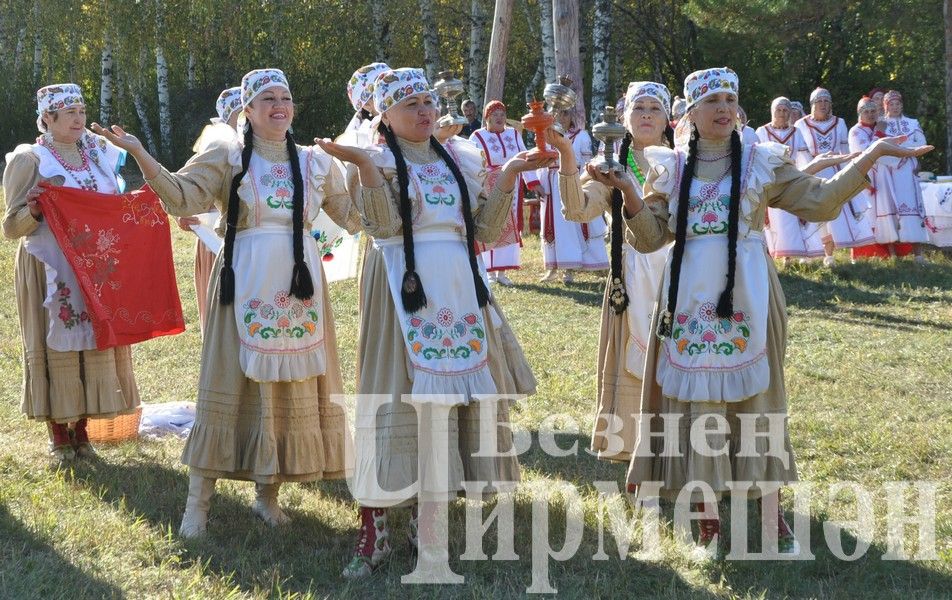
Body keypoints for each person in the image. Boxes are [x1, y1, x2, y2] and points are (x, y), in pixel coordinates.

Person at [600, 67, 929, 555]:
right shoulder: (670, 166)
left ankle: (774, 518)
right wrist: (628, 191)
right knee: (698, 408)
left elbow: (818, 203)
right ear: (690, 113)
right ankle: (706, 518)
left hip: (749, 296)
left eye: (731, 98)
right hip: (687, 298)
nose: (724, 108)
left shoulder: (762, 161)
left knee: (761, 404)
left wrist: (871, 155)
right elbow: (649, 238)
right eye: (712, 100)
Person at [92, 68, 360, 537]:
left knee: (284, 392)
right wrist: (140, 154)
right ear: (248, 110)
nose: (280, 105)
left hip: (300, 288)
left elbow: (356, 219)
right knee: (227, 382)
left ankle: (266, 495)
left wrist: (376, 167)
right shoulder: (227, 155)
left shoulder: (315, 162)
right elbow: (180, 198)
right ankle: (197, 506)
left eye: (286, 97)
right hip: (243, 281)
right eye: (268, 98)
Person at [316, 67, 542, 578]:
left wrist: (509, 174)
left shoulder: (456, 159)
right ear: (385, 115)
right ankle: (374, 530)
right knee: (391, 391)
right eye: (410, 104)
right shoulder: (372, 161)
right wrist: (368, 170)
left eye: (426, 102)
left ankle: (431, 527)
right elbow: (384, 227)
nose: (423, 111)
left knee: (444, 407)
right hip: (400, 284)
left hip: (458, 290)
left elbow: (483, 227)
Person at [2, 83, 141, 462]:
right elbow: (10, 227)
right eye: (70, 113)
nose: (79, 119)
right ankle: (59, 436)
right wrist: (33, 211)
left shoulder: (98, 153)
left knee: (91, 342)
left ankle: (83, 432)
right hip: (51, 265)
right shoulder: (29, 159)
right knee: (57, 345)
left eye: (81, 110)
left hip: (95, 265)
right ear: (48, 118)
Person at [553, 80, 673, 464]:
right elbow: (577, 210)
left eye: (655, 109)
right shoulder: (610, 164)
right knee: (633, 365)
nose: (647, 116)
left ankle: (681, 448)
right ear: (624, 118)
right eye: (639, 109)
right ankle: (635, 448)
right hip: (631, 277)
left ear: (669, 117)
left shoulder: (683, 161)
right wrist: (568, 157)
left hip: (680, 275)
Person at [176, 86, 241, 336]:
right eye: (239, 114)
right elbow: (188, 193)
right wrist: (187, 217)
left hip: (254, 243)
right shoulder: (215, 151)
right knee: (223, 319)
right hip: (217, 243)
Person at [795, 87, 874, 265]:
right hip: (814, 172)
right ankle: (811, 253)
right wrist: (804, 175)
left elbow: (845, 151)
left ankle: (830, 255)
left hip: (835, 171)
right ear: (812, 104)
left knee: (836, 214)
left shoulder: (840, 123)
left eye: (826, 101)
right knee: (814, 213)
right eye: (819, 101)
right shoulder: (801, 125)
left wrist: (852, 174)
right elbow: (801, 153)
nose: (823, 104)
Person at [469, 100, 536, 285]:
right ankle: (489, 272)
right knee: (491, 223)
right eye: (495, 114)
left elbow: (525, 156)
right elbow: (470, 161)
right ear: (487, 117)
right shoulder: (477, 136)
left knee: (509, 227)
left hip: (513, 184)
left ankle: (502, 272)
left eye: (502, 114)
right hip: (488, 186)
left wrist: (533, 181)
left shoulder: (513, 134)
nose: (499, 118)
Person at [539, 107, 608, 283]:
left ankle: (578, 266)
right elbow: (539, 160)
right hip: (552, 184)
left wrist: (584, 182)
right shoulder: (545, 135)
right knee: (553, 226)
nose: (561, 116)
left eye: (565, 113)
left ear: (572, 116)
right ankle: (553, 267)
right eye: (557, 112)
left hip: (573, 181)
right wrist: (538, 183)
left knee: (575, 224)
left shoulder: (581, 136)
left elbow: (587, 162)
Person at [756, 97, 823, 262]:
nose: (782, 113)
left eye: (785, 110)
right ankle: (776, 255)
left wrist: (808, 177)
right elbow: (756, 158)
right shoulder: (762, 132)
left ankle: (793, 256)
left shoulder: (796, 132)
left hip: (790, 178)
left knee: (791, 217)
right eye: (778, 110)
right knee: (773, 220)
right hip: (769, 180)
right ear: (772, 111)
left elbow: (804, 156)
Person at [875, 90, 930, 262]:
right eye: (891, 104)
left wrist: (903, 151)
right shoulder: (881, 124)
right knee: (890, 211)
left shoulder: (912, 123)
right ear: (885, 106)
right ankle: (893, 256)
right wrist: (905, 151)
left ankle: (918, 255)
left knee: (913, 211)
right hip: (890, 173)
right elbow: (878, 149)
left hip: (909, 172)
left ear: (902, 105)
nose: (895, 107)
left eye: (898, 104)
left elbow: (921, 144)